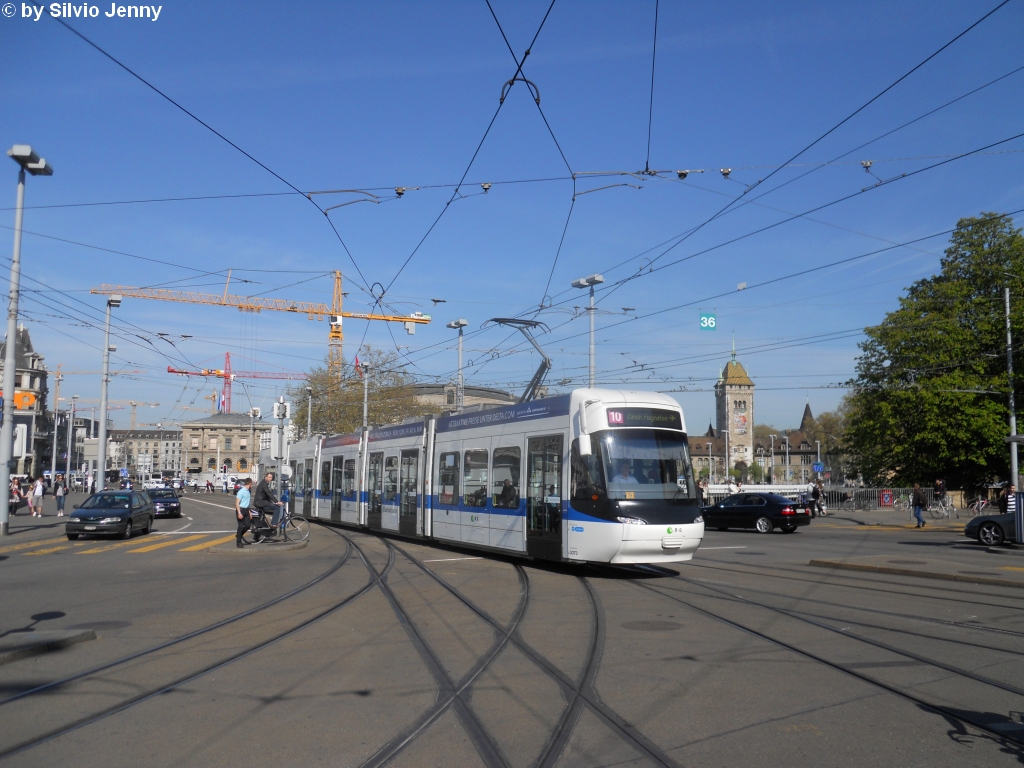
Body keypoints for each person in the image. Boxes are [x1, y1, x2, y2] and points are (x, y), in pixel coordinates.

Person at [235, 478, 253, 548]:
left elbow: (247, 503)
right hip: (241, 510)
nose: (252, 486)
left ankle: (239, 535)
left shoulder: (249, 491)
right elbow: (237, 503)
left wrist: (249, 512)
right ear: (250, 484)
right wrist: (239, 513)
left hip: (246, 510)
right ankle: (238, 542)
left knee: (248, 525)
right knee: (241, 526)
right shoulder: (241, 491)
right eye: (252, 484)